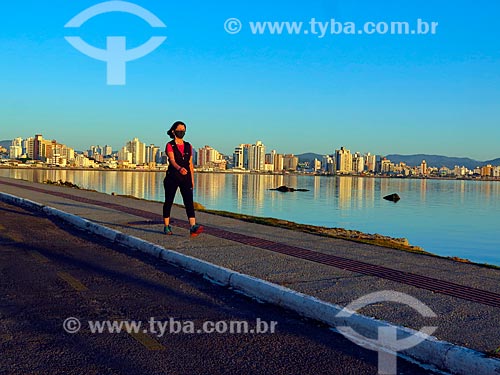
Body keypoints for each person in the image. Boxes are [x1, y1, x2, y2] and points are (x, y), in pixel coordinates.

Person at [162, 121, 203, 237]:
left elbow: (190, 163)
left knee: (189, 201)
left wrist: (192, 179)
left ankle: (193, 226)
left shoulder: (188, 145)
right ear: (173, 131)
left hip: (186, 177)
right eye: (180, 130)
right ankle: (166, 225)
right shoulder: (170, 145)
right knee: (169, 201)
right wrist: (179, 169)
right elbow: (172, 160)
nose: (182, 132)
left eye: (184, 130)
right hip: (173, 176)